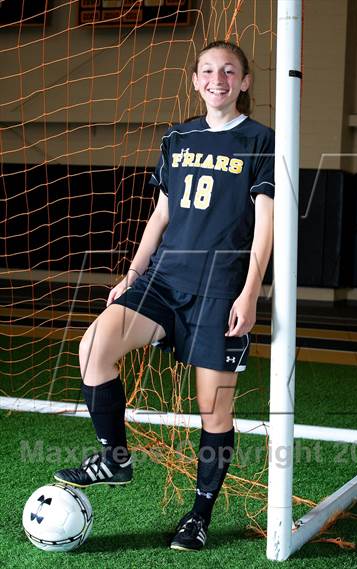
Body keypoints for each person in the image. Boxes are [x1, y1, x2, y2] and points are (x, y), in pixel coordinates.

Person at [54, 40, 274, 551]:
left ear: (243, 83)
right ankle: (114, 458)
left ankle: (199, 516)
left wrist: (250, 293)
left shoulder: (261, 141)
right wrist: (132, 274)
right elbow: (162, 214)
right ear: (195, 80)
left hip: (219, 290)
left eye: (229, 71)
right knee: (94, 348)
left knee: (213, 411)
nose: (217, 78)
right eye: (207, 70)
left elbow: (265, 227)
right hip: (163, 279)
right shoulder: (178, 137)